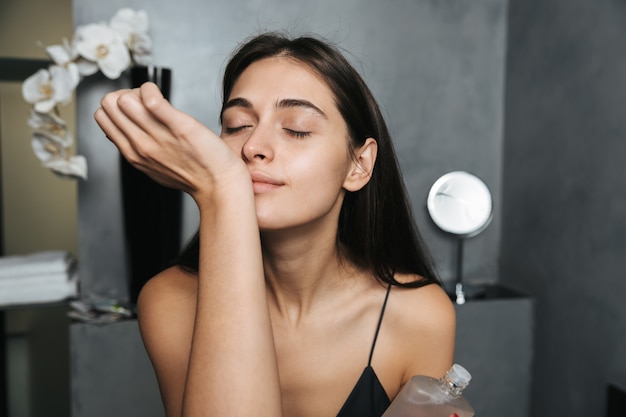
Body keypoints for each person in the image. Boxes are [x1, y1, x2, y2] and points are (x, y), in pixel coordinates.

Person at [94, 32, 456, 417]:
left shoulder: (421, 315)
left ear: (359, 164)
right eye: (236, 126)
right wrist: (221, 194)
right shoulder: (170, 301)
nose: (253, 147)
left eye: (296, 128)